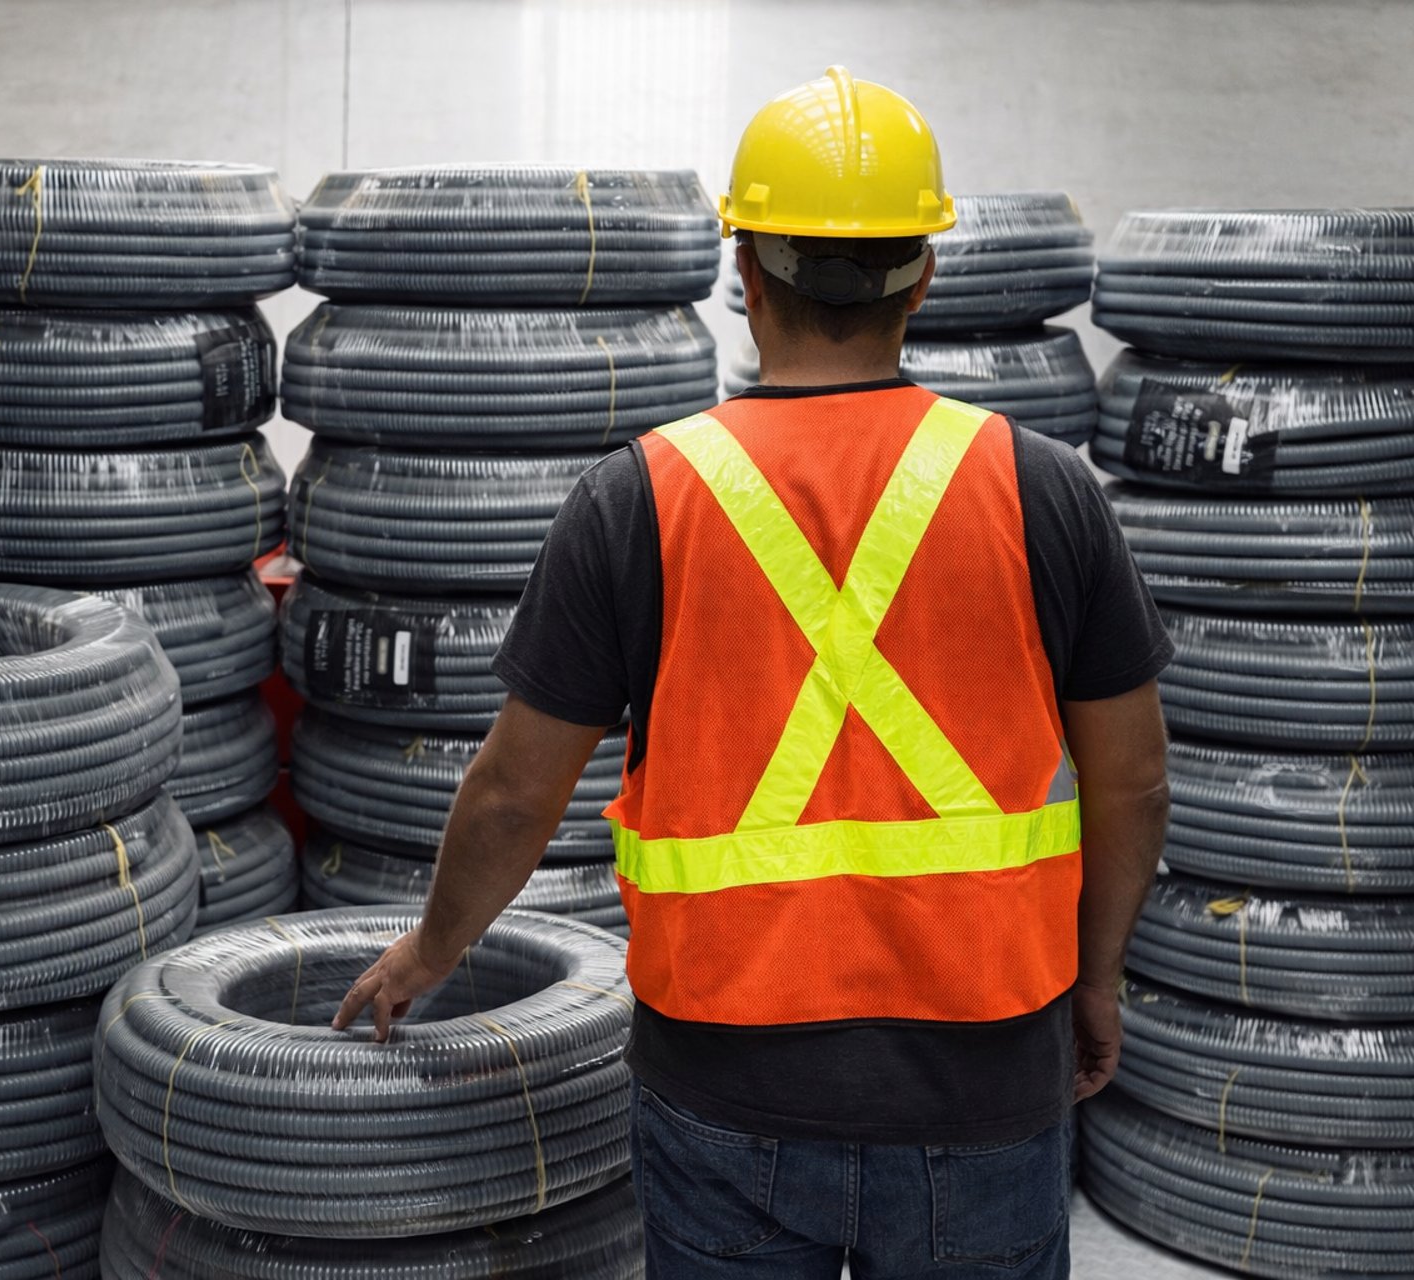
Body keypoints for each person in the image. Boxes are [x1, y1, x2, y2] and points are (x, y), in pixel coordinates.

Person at [334, 66, 1171, 1278]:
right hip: (985, 1077)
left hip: (724, 1088)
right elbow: (1133, 783)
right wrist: (1094, 981)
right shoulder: (1042, 488)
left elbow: (516, 792)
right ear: (924, 275)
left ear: (745, 272)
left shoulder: (638, 498)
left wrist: (429, 953)